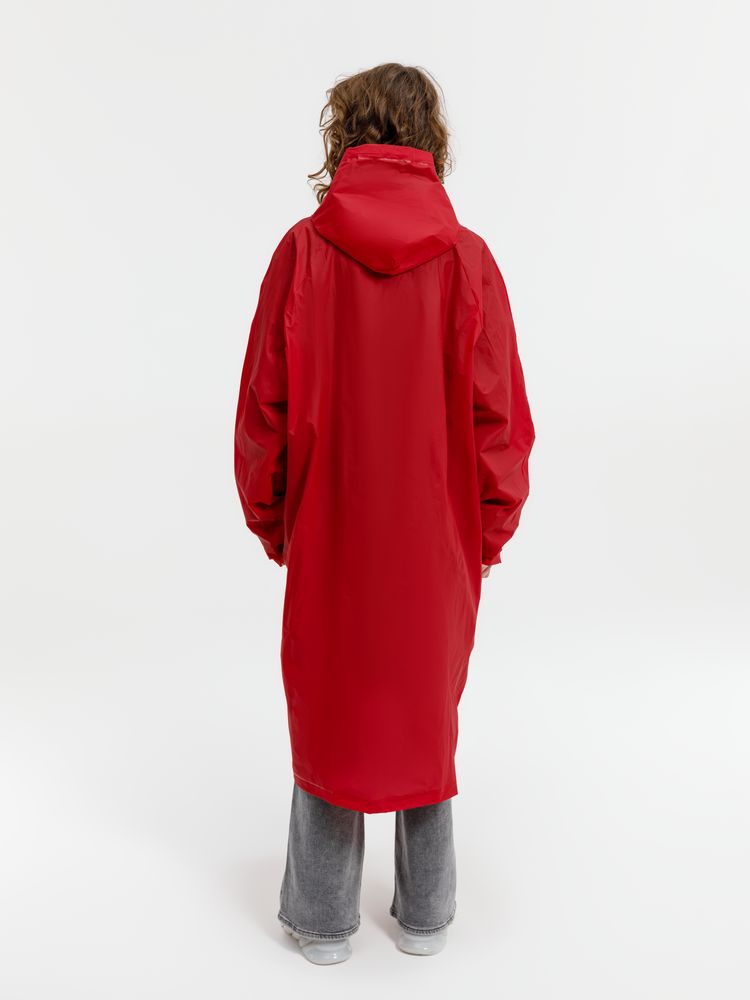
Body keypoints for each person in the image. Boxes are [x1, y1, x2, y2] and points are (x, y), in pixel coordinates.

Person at [234, 62, 535, 965]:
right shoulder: (467, 260)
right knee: (422, 709)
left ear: (346, 139)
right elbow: (500, 419)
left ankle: (323, 920)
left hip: (329, 533)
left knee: (331, 708)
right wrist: (488, 531)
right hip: (437, 542)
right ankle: (428, 915)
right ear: (428, 142)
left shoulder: (303, 253)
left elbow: (263, 410)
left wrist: (275, 521)